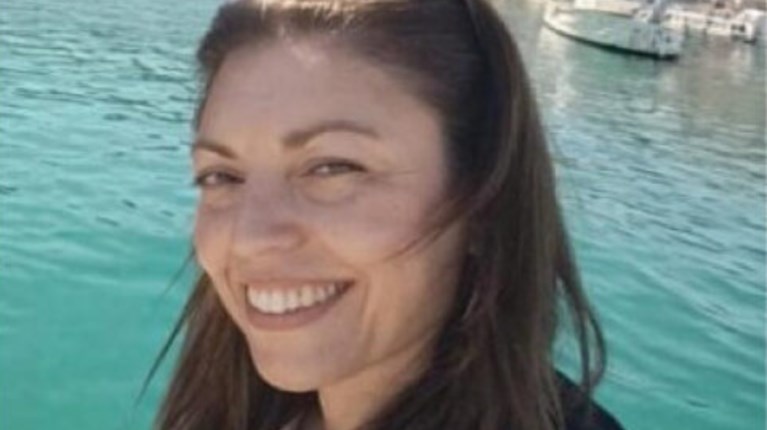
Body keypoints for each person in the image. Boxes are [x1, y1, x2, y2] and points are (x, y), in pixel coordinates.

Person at [150, 1, 626, 429]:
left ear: (484, 198)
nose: (250, 238)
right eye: (221, 176)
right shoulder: (238, 408)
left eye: (333, 167)